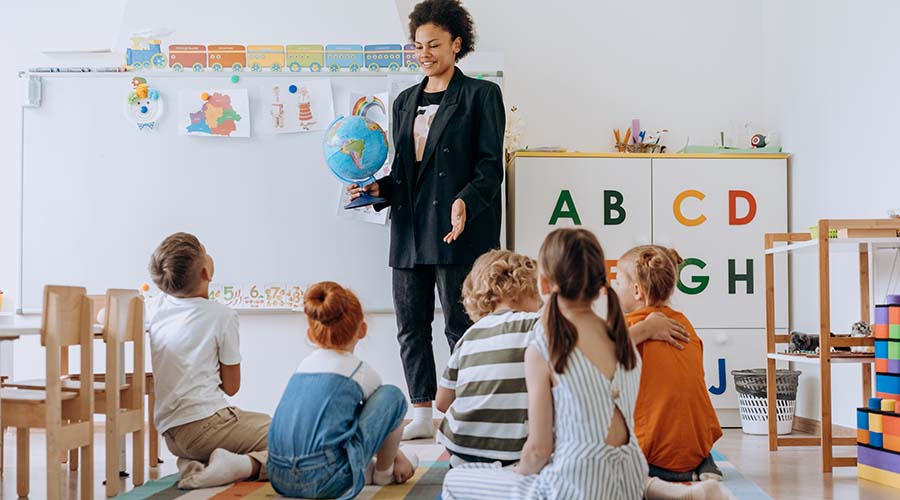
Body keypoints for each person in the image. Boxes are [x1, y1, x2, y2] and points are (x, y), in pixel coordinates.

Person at [441, 229, 730, 500]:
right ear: (599, 283)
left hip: (578, 486)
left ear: (543, 284)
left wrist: (518, 475)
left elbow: (539, 449)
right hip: (630, 476)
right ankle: (671, 492)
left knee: (456, 481)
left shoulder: (544, 345)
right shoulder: (621, 335)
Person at [349, 0, 506, 440]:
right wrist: (377, 189)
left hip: (458, 229)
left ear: (457, 44)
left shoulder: (481, 96)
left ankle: (466, 410)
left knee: (462, 325)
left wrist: (466, 201)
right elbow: (405, 174)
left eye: (433, 44)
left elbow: (491, 166)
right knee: (410, 325)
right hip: (409, 230)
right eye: (417, 45)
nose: (424, 53)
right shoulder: (403, 102)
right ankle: (422, 411)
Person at [266, 282, 418, 499]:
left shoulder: (302, 368)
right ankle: (384, 473)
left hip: (278, 477)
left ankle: (364, 469)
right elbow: (379, 421)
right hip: (323, 480)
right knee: (392, 396)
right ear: (362, 329)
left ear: (311, 334)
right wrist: (397, 456)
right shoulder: (360, 372)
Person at [146, 232, 269, 489]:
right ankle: (237, 466)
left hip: (172, 435)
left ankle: (193, 463)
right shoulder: (222, 316)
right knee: (288, 436)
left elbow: (105, 314)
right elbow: (232, 387)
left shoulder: (155, 307)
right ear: (206, 273)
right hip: (206, 426)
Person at [615, 245, 724, 481]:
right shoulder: (684, 323)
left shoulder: (625, 327)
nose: (615, 289)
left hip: (652, 457)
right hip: (695, 448)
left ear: (636, 291)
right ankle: (705, 460)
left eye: (618, 283)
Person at [435, 250, 542, 466]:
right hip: (515, 452)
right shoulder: (536, 323)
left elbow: (442, 402)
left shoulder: (468, 336)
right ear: (518, 289)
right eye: (536, 293)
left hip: (462, 448)